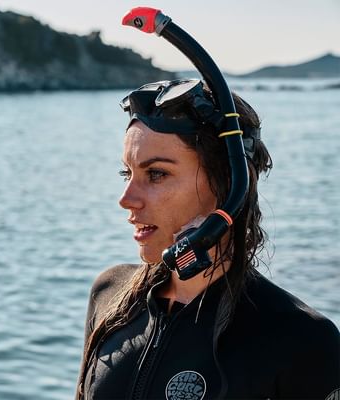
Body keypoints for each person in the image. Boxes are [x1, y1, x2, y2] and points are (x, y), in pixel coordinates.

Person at [75, 78, 340, 399]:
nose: (126, 198)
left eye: (156, 174)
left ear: (228, 185)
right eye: (126, 174)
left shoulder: (302, 339)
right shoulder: (109, 295)